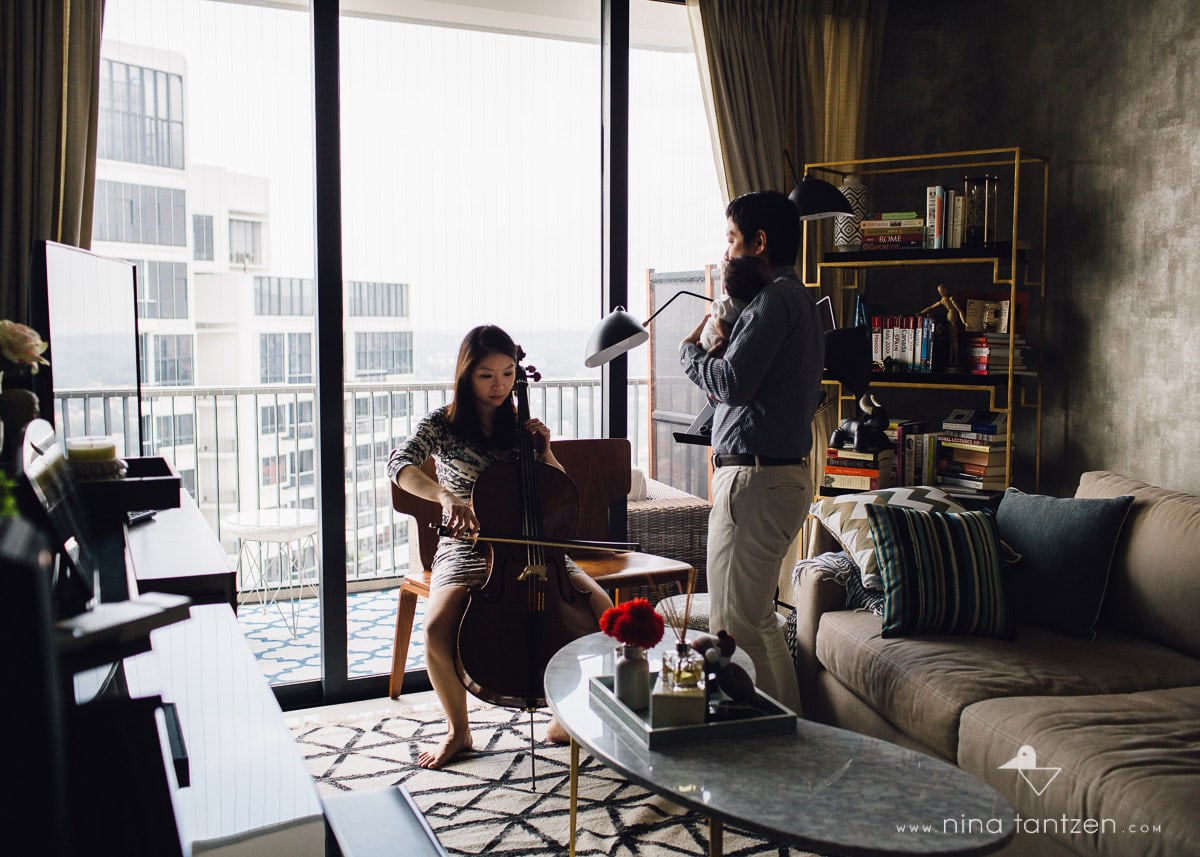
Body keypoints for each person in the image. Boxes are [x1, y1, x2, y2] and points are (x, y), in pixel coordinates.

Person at [386, 324, 613, 768]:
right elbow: (400, 463)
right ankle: (459, 731)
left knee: (602, 610)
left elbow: (556, 493)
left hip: (531, 543)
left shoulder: (520, 427)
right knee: (436, 629)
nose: (500, 386)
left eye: (508, 374)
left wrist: (545, 453)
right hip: (468, 545)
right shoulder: (443, 425)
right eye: (487, 375)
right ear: (466, 375)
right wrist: (445, 496)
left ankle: (566, 713)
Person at [678, 190, 824, 715]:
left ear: (759, 242)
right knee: (750, 618)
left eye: (732, 239)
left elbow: (733, 381)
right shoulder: (795, 301)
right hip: (769, 477)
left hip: (757, 480)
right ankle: (781, 733)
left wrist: (689, 352)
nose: (726, 252)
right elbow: (754, 386)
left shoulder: (775, 301)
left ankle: (782, 745)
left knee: (740, 623)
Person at [698, 254, 772, 353]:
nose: (770, 281)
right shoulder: (734, 303)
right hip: (713, 338)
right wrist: (732, 343)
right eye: (766, 278)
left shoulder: (742, 303)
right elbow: (720, 323)